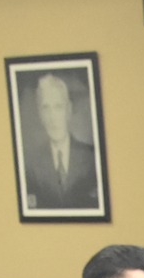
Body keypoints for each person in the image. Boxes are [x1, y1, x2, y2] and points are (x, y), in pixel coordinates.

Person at [22, 73, 99, 210]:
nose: (52, 118)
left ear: (68, 110)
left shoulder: (92, 157)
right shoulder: (30, 165)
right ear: (40, 114)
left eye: (58, 107)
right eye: (46, 108)